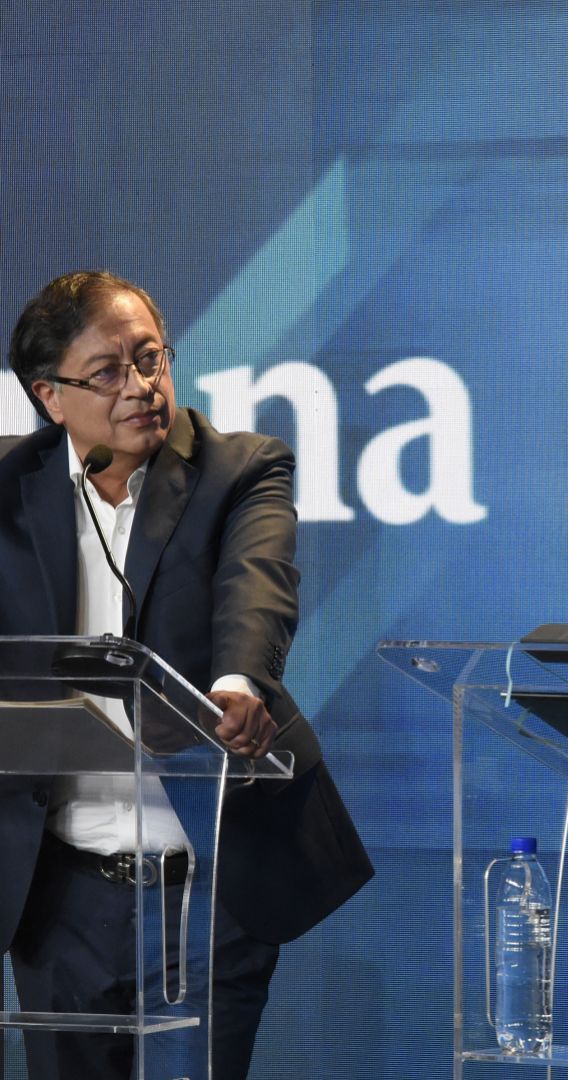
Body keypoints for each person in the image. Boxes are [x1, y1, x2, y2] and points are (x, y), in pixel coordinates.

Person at [0, 270, 374, 1079]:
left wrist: (239, 687)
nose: (140, 388)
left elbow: (257, 590)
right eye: (107, 372)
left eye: (150, 359)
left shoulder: (240, 469)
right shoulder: (8, 489)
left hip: (211, 884)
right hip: (58, 893)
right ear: (49, 396)